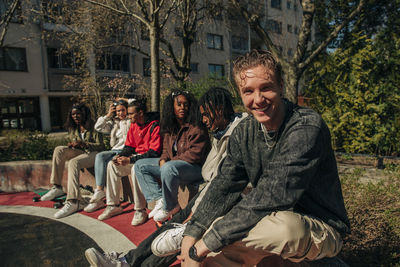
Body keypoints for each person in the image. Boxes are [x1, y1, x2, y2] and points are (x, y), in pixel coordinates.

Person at [177, 50, 351, 266]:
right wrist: (192, 233)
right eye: (248, 91)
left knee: (282, 229)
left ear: (281, 85)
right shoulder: (244, 132)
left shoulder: (306, 126)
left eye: (266, 88)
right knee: (210, 245)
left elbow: (274, 193)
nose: (258, 99)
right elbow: (224, 186)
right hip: (268, 221)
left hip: (317, 228)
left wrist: (205, 243)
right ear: (239, 93)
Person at [84, 87, 247, 267]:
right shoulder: (219, 131)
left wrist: (198, 211)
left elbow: (224, 180)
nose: (204, 119)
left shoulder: (237, 132)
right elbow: (168, 153)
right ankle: (126, 261)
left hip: (222, 196)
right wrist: (163, 160)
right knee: (174, 223)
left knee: (181, 232)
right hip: (210, 191)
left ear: (218, 109)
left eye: (206, 114)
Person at [134, 90, 211, 223]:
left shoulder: (196, 126)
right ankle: (160, 199)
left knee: (168, 167)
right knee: (140, 165)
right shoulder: (171, 127)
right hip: (173, 167)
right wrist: (163, 159)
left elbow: (195, 155)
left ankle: (171, 206)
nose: (182, 108)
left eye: (185, 105)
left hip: (195, 169)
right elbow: (165, 149)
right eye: (179, 104)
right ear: (172, 106)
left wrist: (168, 163)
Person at [97, 98, 162, 226]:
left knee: (135, 168)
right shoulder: (133, 125)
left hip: (150, 159)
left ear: (141, 113)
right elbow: (129, 147)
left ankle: (140, 209)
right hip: (136, 157)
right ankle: (113, 205)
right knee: (112, 164)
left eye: (132, 113)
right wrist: (121, 156)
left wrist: (130, 159)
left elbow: (154, 152)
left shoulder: (155, 125)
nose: (128, 116)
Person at [41, 103, 104, 219]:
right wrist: (73, 145)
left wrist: (84, 143)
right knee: (59, 150)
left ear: (84, 113)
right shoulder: (73, 127)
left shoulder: (94, 125)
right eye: (73, 114)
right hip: (81, 152)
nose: (75, 116)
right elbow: (74, 142)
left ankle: (75, 201)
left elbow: (101, 146)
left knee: (73, 163)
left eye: (78, 113)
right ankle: (57, 187)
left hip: (94, 154)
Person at [84, 99, 131, 213]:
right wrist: (108, 115)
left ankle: (112, 203)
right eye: (118, 111)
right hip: (115, 150)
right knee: (100, 156)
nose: (120, 113)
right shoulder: (114, 123)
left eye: (123, 110)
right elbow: (98, 127)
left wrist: (124, 99)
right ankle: (99, 190)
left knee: (111, 164)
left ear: (127, 110)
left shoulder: (131, 120)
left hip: (127, 150)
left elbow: (135, 103)